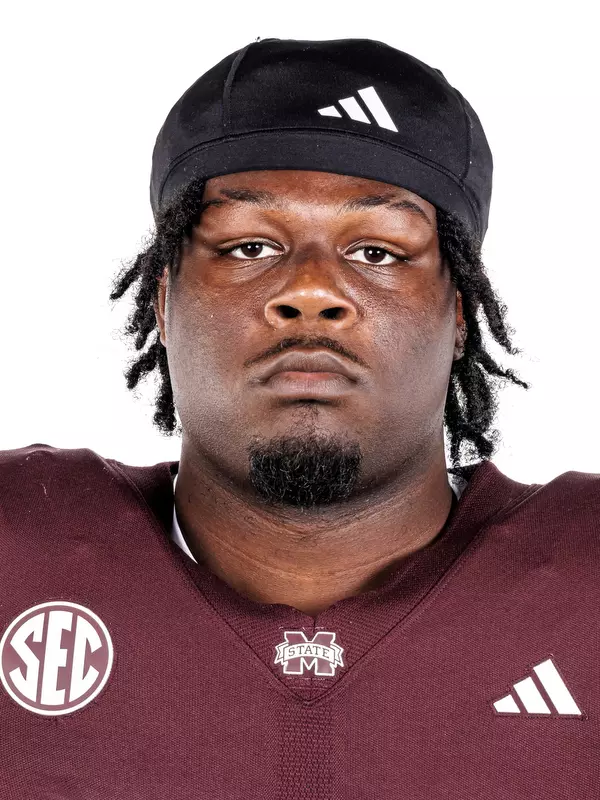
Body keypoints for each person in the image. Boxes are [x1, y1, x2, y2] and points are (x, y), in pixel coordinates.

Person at [1, 37, 597, 799]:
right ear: (162, 301)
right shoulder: (18, 548)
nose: (312, 290)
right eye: (251, 244)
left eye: (378, 252)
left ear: (459, 314)